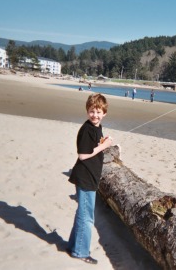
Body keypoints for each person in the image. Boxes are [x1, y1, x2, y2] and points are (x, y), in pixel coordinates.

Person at [67, 93, 113, 265]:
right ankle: (80, 251)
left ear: (104, 114)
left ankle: (72, 246)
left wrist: (103, 141)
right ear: (87, 111)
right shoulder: (87, 129)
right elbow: (83, 154)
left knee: (82, 214)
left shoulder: (97, 127)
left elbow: (95, 146)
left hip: (91, 177)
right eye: (92, 111)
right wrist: (104, 146)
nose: (95, 115)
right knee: (87, 218)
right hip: (85, 178)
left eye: (99, 112)